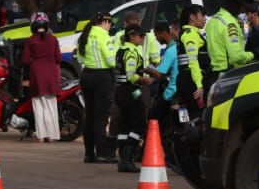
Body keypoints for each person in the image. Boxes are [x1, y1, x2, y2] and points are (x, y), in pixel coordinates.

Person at [77, 12, 117, 163]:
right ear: (106, 22)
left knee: (90, 116)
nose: (110, 27)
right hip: (102, 77)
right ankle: (102, 153)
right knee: (101, 117)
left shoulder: (84, 36)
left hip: (87, 75)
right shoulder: (103, 36)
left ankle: (89, 153)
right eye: (110, 24)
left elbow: (80, 58)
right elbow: (112, 60)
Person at [114, 23, 153, 173]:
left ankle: (123, 158)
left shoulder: (121, 50)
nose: (143, 38)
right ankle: (127, 158)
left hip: (120, 91)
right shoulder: (131, 52)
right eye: (141, 35)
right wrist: (145, 80)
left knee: (124, 125)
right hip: (130, 91)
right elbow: (131, 76)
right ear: (132, 36)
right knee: (138, 124)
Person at [205, 0, 256, 92]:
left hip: (214, 74)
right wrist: (253, 54)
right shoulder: (230, 24)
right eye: (244, 7)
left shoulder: (213, 20)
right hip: (228, 77)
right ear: (238, 5)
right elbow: (236, 56)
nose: (244, 11)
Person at [21, 12, 63, 143]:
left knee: (38, 106)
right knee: (51, 105)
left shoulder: (30, 41)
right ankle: (52, 135)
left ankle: (41, 135)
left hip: (36, 75)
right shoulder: (53, 39)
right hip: (51, 75)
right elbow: (59, 58)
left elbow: (25, 60)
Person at [177, 4, 210, 113]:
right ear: (192, 17)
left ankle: (180, 128)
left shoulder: (191, 33)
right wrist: (199, 85)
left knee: (186, 113)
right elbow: (193, 61)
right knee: (195, 114)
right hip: (191, 81)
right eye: (202, 15)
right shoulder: (190, 35)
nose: (205, 18)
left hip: (186, 79)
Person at [150, 21, 181, 131]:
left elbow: (159, 73)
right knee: (183, 123)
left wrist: (145, 69)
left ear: (162, 33)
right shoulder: (179, 48)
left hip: (171, 93)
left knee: (153, 117)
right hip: (182, 91)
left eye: (156, 35)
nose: (156, 39)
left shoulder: (171, 50)